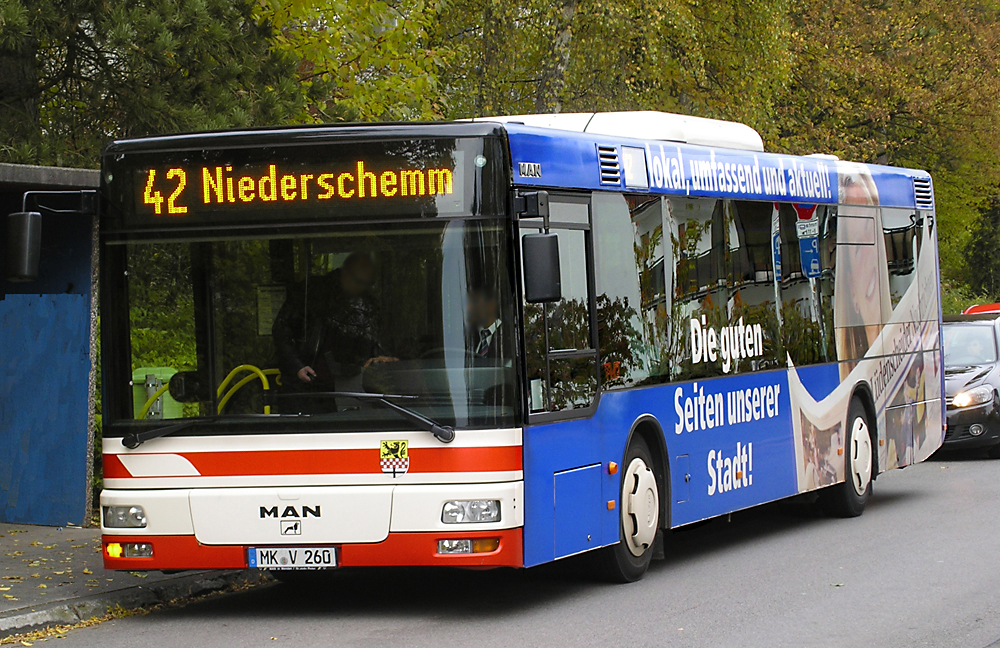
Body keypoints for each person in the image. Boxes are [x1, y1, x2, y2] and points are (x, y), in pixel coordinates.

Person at [272, 252, 395, 409]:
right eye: (358, 281)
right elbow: (282, 331)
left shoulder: (366, 302)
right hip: (303, 386)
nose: (361, 287)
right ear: (346, 273)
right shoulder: (310, 293)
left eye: (366, 283)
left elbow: (373, 335)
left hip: (341, 385)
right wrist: (297, 366)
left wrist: (381, 355)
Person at [466, 286, 504, 360]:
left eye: (475, 302)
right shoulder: (468, 336)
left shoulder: (509, 336)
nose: (469, 308)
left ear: (491, 305)